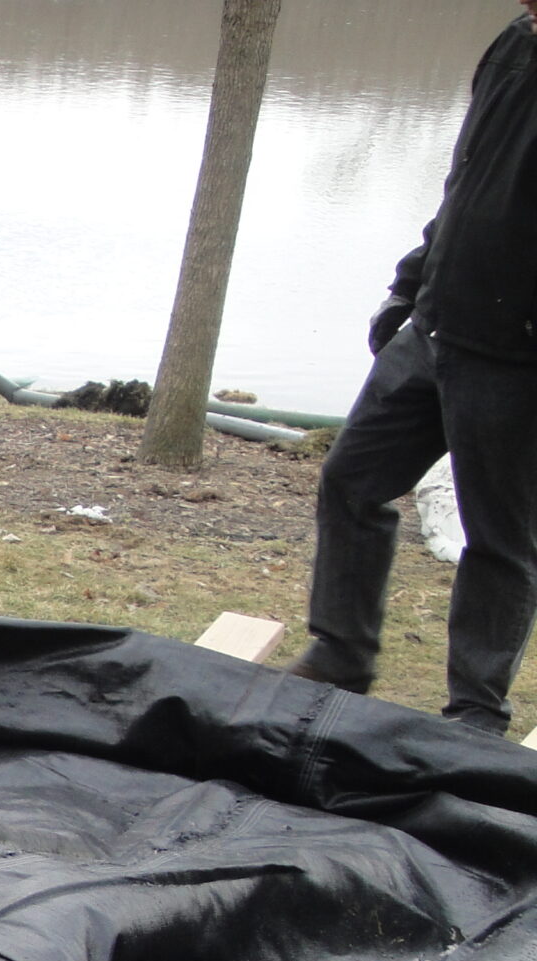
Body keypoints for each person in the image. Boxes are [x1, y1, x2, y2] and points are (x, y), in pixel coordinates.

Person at [289, 0, 537, 735]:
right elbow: (467, 181)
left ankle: (474, 711)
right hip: (436, 325)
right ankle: (341, 652)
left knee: (499, 536)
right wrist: (410, 282)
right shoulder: (515, 44)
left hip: (515, 356)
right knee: (352, 481)